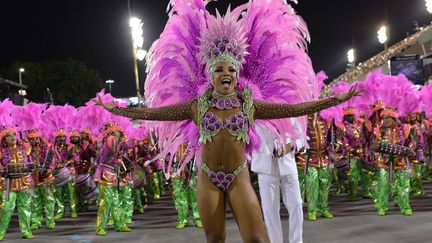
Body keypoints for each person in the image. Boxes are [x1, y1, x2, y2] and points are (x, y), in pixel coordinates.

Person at [97, 1, 359, 242]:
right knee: (215, 240)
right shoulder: (196, 106)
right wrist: (117, 110)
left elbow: (296, 107)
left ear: (237, 73)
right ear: (210, 74)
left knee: (257, 239)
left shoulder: (250, 105)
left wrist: (336, 99)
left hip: (238, 179)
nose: (226, 73)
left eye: (231, 69)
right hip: (208, 178)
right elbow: (151, 113)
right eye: (220, 69)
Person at [251, 118, 305, 243]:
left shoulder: (288, 112)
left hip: (288, 164)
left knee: (296, 204)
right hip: (266, 167)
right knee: (270, 210)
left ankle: (297, 241)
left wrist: (289, 147)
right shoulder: (257, 113)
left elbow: (301, 136)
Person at [0, 126, 35, 240]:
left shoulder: (24, 148)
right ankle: (1, 232)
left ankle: (26, 231)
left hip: (24, 181)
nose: (12, 137)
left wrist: (32, 166)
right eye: (9, 136)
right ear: (4, 139)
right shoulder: (1, 151)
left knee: (25, 207)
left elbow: (31, 161)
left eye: (14, 135)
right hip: (9, 183)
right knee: (6, 208)